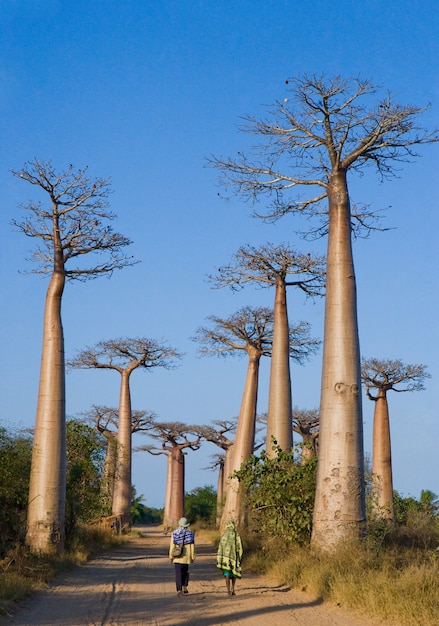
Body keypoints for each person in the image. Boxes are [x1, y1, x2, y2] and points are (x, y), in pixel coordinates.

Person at [169, 517, 195, 596]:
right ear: (187, 525)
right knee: (185, 572)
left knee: (178, 574)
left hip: (177, 557)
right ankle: (185, 586)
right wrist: (192, 557)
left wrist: (171, 556)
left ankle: (179, 589)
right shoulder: (190, 534)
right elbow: (192, 547)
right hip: (186, 558)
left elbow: (172, 546)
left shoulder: (175, 533)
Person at [216, 520, 243, 596]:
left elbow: (220, 548)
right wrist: (240, 557)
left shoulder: (223, 535)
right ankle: (233, 589)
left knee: (227, 573)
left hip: (225, 559)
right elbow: (240, 547)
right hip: (234, 558)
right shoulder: (236, 535)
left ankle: (228, 590)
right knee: (234, 573)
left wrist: (220, 558)